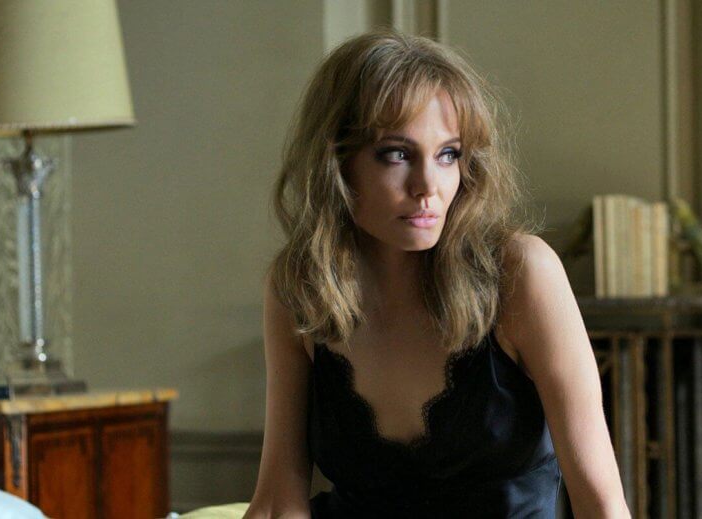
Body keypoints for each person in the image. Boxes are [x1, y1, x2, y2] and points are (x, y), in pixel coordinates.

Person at [243, 29, 630, 518]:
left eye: (449, 154)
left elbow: (601, 504)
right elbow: (279, 501)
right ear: (336, 161)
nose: (428, 186)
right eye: (397, 153)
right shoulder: (299, 286)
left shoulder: (521, 274)